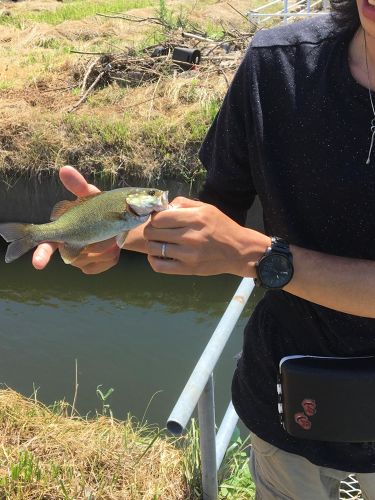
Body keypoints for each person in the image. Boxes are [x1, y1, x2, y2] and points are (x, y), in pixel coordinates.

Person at [31, 0, 375, 497]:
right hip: (285, 410)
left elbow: (241, 248)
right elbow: (216, 220)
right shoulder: (276, 63)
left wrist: (261, 258)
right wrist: (105, 233)